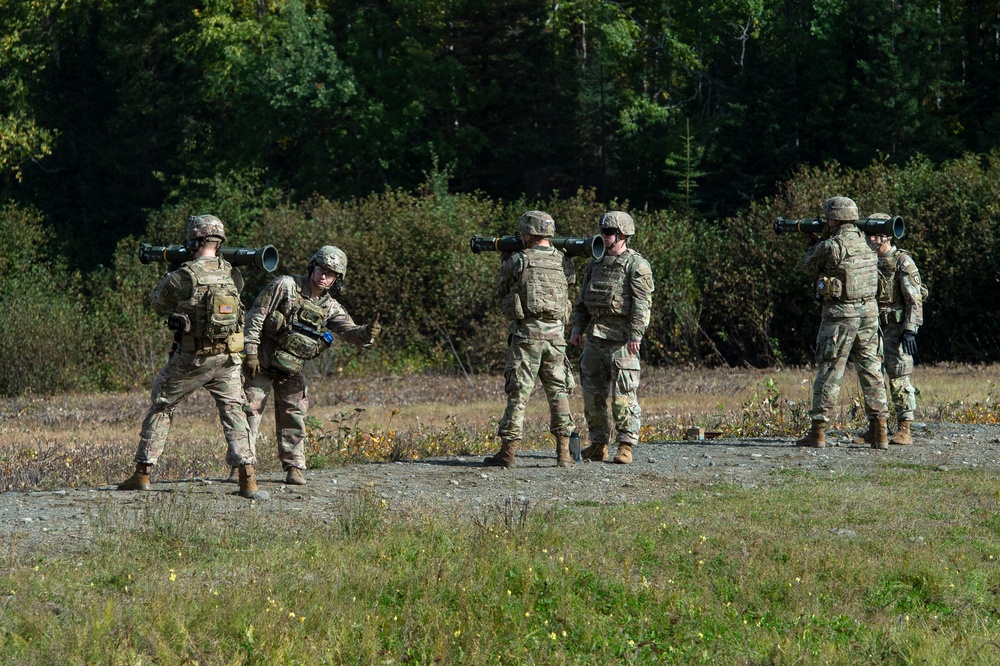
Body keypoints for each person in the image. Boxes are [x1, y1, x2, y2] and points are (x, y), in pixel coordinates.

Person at [118, 215, 260, 498]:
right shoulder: (232, 271)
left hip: (192, 358)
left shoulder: (185, 274)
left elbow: (158, 301)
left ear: (194, 242)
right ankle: (249, 480)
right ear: (218, 243)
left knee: (162, 405)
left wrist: (172, 271)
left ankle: (142, 475)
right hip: (227, 357)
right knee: (235, 413)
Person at [242, 246, 381, 485]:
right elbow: (256, 316)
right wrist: (251, 352)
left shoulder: (330, 307)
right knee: (249, 415)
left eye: (331, 273)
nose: (324, 276)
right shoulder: (285, 286)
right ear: (312, 266)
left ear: (337, 279)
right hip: (262, 364)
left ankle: (294, 467)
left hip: (291, 369)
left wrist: (367, 333)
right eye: (321, 269)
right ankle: (243, 468)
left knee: (294, 415)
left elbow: (349, 332)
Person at [484, 211, 578, 469]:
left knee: (518, 394)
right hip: (556, 337)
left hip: (527, 336)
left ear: (529, 233)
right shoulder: (563, 261)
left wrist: (506, 260)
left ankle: (508, 452)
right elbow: (568, 285)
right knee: (559, 392)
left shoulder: (519, 260)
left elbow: (501, 290)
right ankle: (563, 454)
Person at [797, 197, 889, 449]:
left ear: (834, 218)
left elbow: (806, 267)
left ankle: (818, 432)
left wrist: (815, 243)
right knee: (872, 369)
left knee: (830, 370)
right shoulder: (866, 242)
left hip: (840, 315)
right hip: (869, 314)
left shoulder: (832, 245)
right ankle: (880, 431)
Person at [569, 211, 654, 464]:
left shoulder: (636, 265)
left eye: (608, 233)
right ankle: (598, 444)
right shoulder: (594, 264)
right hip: (595, 339)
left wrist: (635, 335)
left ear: (623, 235)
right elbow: (583, 301)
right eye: (602, 232)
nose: (603, 236)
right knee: (592, 396)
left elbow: (642, 305)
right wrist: (577, 329)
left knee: (623, 397)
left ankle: (626, 445)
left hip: (622, 342)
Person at [861, 215, 925, 445]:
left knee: (899, 376)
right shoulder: (867, 262)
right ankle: (876, 427)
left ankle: (904, 428)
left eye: (877, 234)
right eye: (870, 234)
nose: (872, 238)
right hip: (872, 327)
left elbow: (914, 299)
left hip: (896, 329)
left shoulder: (902, 261)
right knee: (872, 377)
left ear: (888, 235)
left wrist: (910, 328)